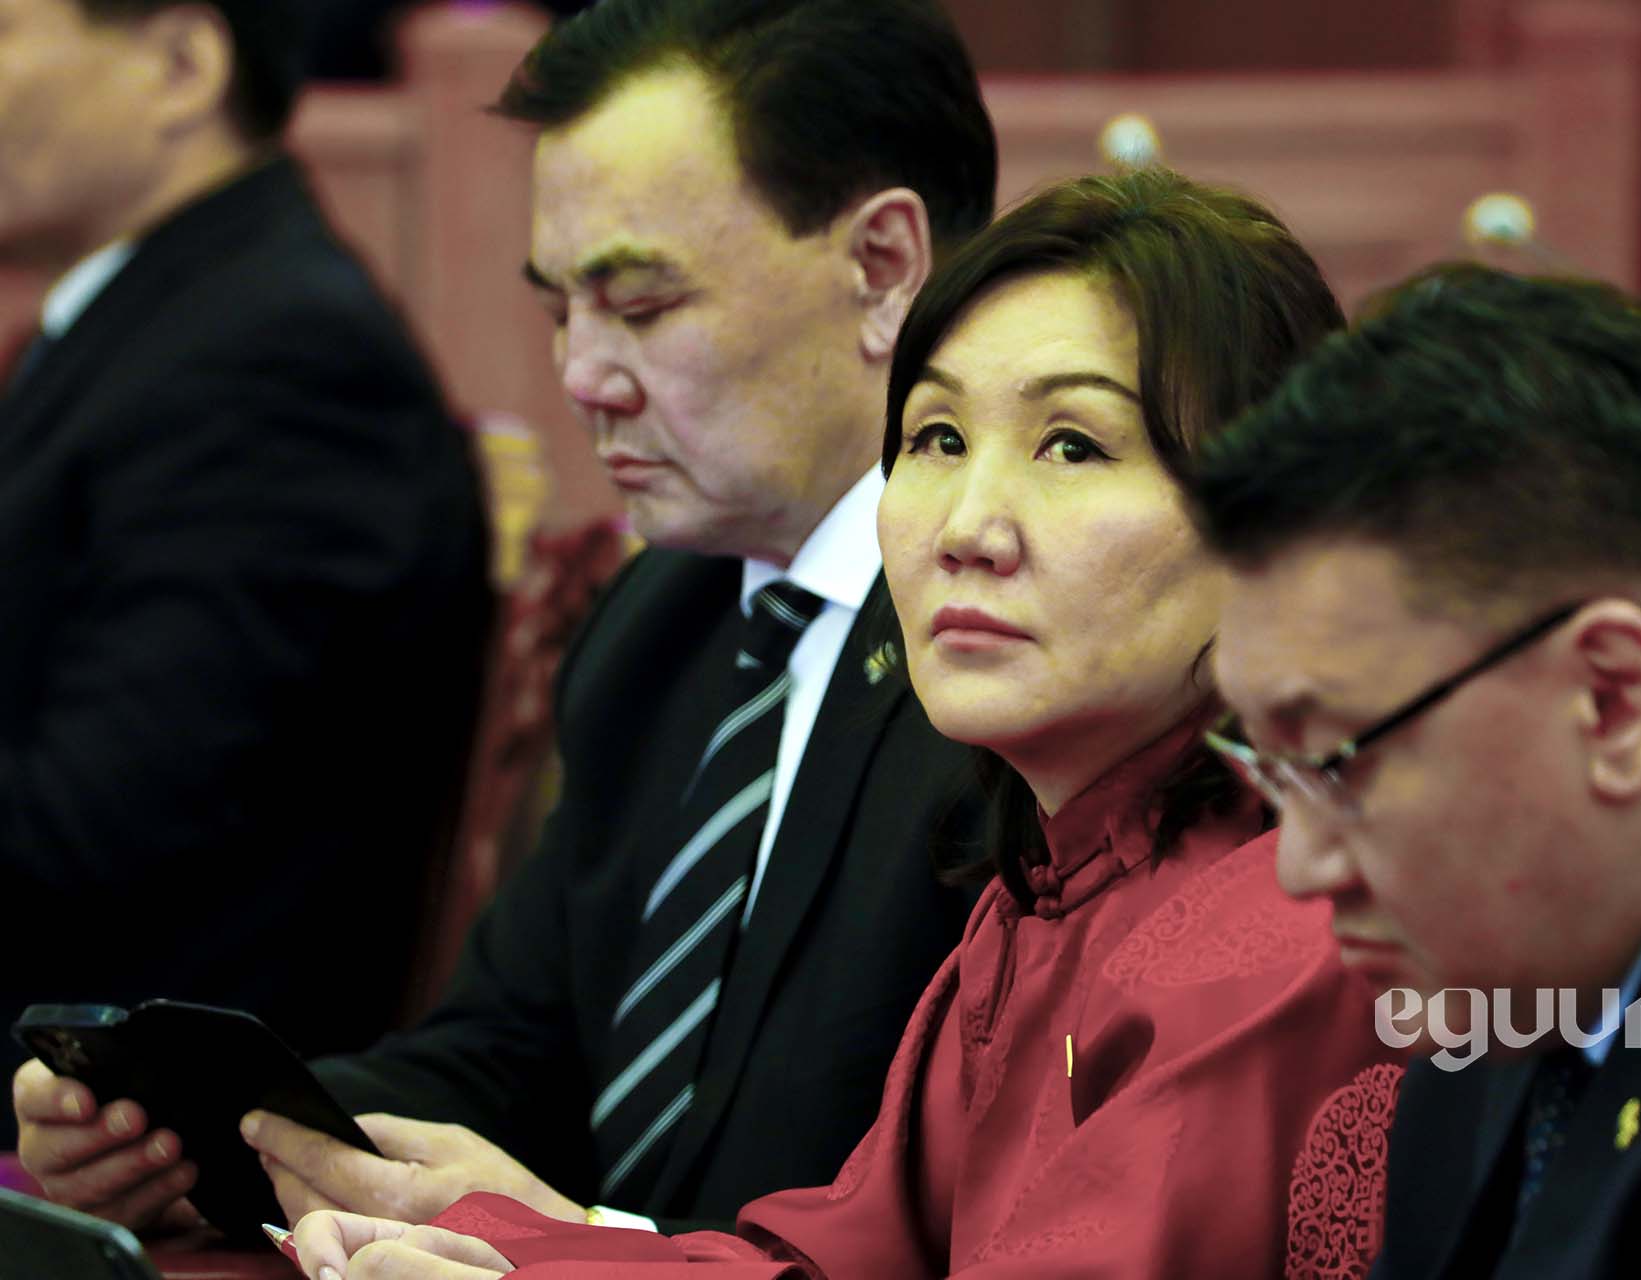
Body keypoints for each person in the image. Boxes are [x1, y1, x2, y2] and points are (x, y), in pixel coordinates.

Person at [284, 166, 1402, 1280]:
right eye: (937, 437)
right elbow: (835, 1261)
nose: (967, 527)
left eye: (1073, 445)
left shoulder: (1278, 931)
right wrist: (509, 1246)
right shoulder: (1041, 894)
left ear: (1274, 523)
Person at [14, 0, 997, 1238]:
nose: (582, 375)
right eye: (560, 309)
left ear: (883, 266)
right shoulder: (662, 620)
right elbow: (505, 1056)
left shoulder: (1005, 652)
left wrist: (583, 1251)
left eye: (641, 304)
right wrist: (196, 1134)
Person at [1188, 263, 1641, 1276]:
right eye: (1271, 768)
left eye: (1333, 764)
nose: (1298, 866)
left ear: (1616, 700)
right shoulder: (1514, 967)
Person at [0, 0, 490, 1158]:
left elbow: (100, 838)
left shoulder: (273, 351)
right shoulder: (152, 316)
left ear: (182, 64)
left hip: (136, 1114)